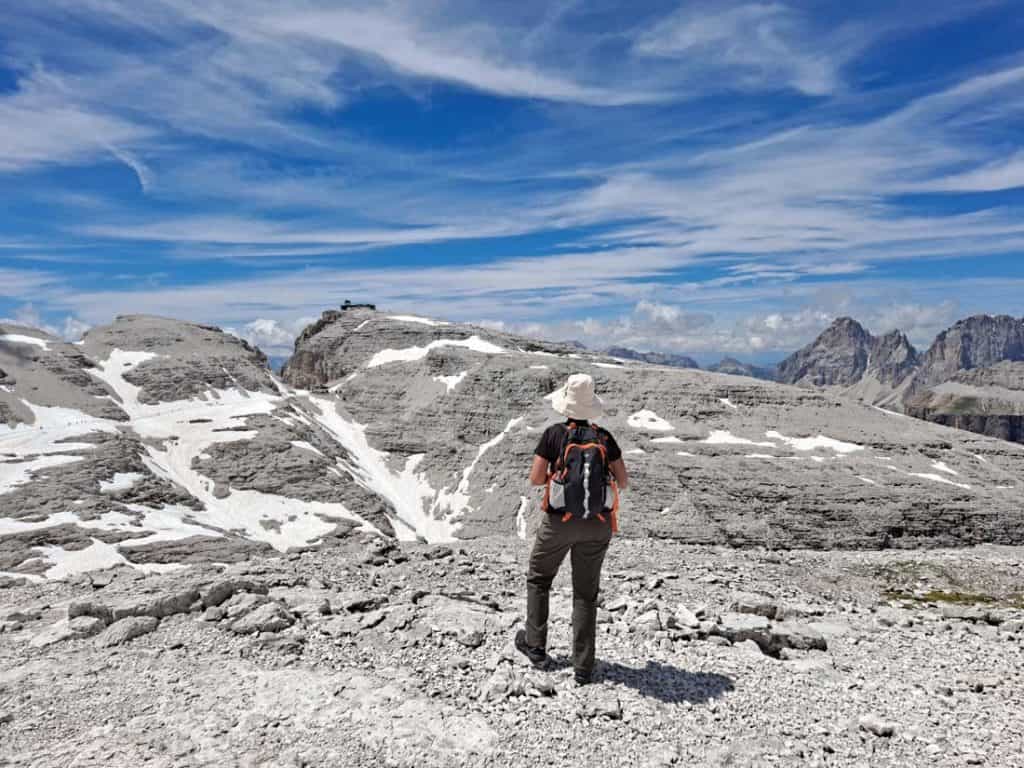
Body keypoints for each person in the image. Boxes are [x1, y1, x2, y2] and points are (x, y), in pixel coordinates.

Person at [515, 373, 629, 685]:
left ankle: (535, 646)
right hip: (598, 525)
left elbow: (537, 478)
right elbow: (623, 481)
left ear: (566, 405)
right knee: (585, 593)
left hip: (559, 522)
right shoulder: (604, 438)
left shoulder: (554, 434)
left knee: (539, 578)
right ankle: (583, 666)